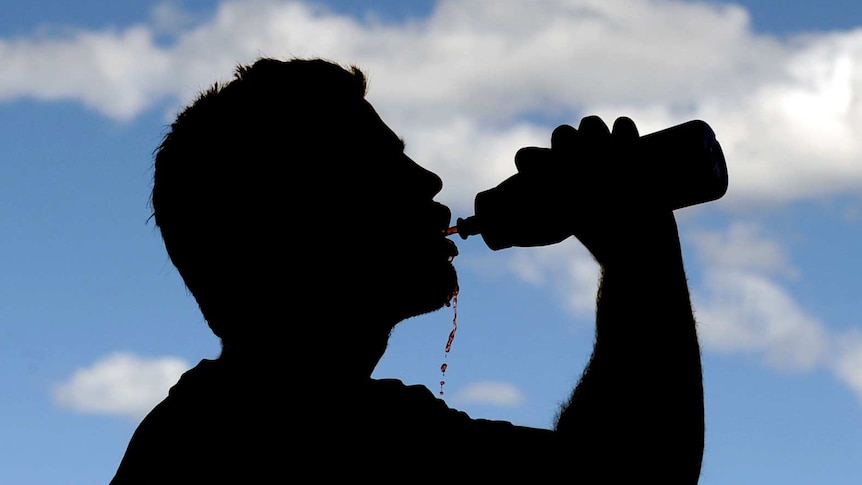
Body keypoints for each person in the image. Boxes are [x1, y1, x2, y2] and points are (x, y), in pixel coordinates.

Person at [110, 57, 704, 483]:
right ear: (297, 217)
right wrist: (638, 247)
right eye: (380, 165)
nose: (429, 181)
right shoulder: (299, 436)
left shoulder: (237, 421)